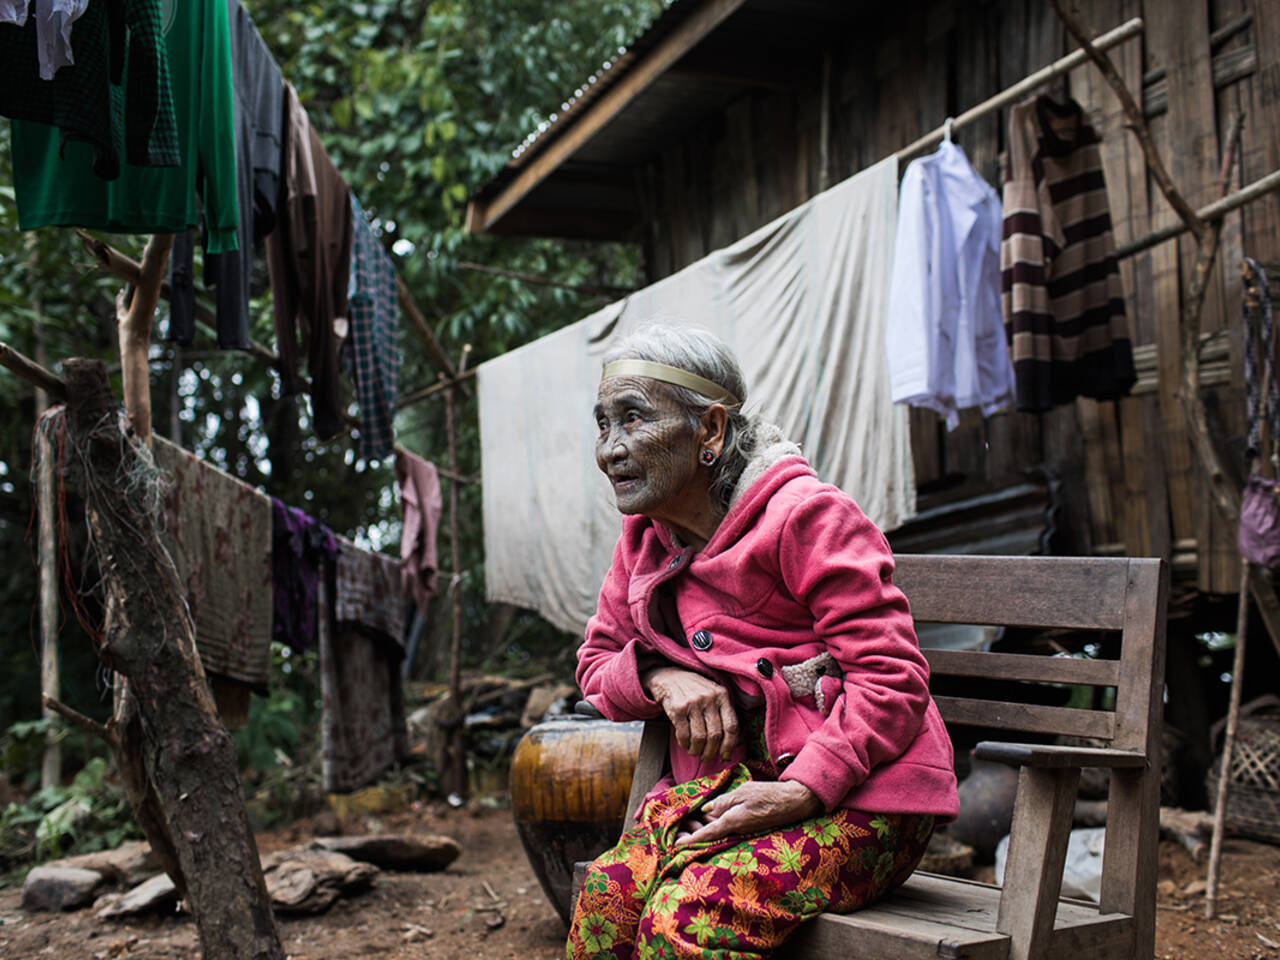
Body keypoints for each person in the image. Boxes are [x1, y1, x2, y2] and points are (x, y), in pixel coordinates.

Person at [569, 325, 958, 960]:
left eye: (633, 419)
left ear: (711, 432)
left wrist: (801, 789)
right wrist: (661, 678)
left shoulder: (806, 516)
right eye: (603, 424)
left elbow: (891, 678)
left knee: (691, 913)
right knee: (609, 895)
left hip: (860, 798)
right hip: (733, 786)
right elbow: (594, 665)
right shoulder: (645, 537)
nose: (611, 449)